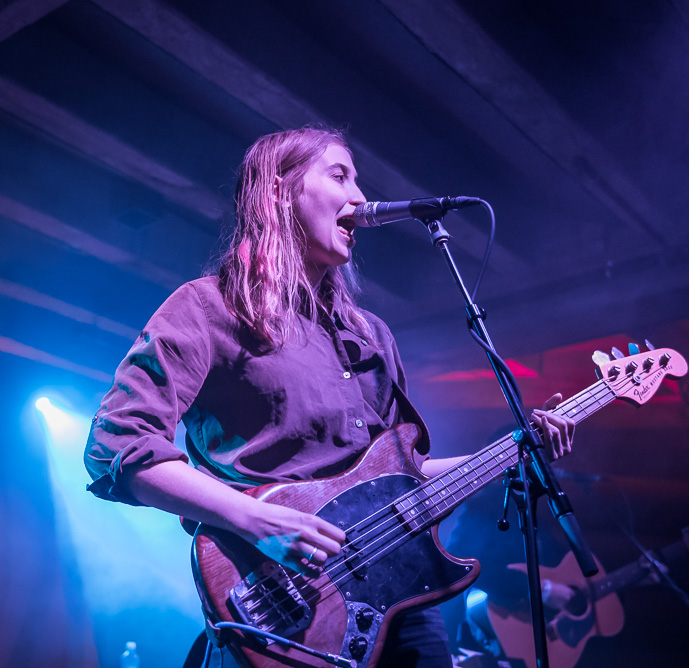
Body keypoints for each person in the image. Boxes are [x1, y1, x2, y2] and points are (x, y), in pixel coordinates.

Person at [84, 126, 576, 668]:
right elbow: (119, 445)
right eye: (339, 175)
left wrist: (515, 449)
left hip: (403, 596)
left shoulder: (372, 335)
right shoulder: (208, 309)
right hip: (283, 603)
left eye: (357, 180)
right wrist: (256, 520)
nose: (360, 198)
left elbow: (401, 474)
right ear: (278, 192)